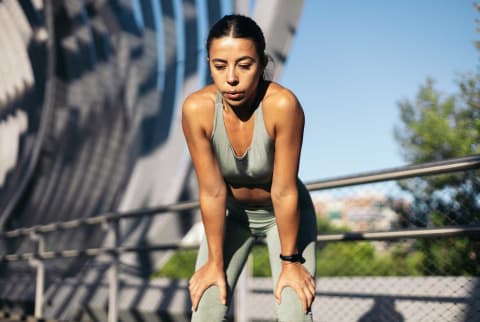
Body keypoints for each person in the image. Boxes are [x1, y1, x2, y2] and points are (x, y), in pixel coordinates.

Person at [181, 14, 317, 322]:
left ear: (262, 62)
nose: (231, 77)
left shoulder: (283, 106)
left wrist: (291, 262)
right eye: (220, 65)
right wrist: (214, 262)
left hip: (284, 213)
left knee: (296, 309)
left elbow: (283, 191)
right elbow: (212, 191)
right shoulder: (196, 110)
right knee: (206, 307)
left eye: (244, 65)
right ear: (209, 63)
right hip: (233, 216)